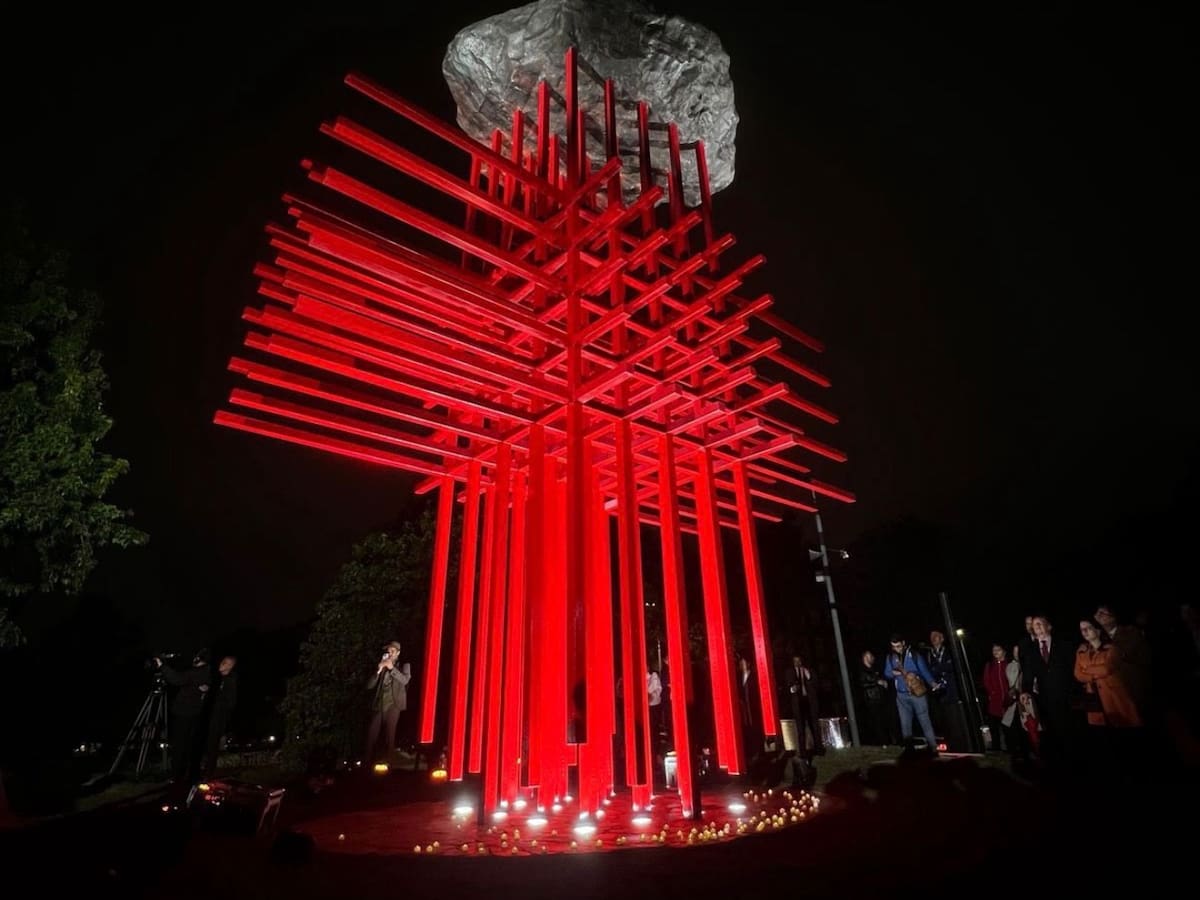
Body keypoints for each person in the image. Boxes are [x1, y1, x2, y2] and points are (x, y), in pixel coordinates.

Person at [1022, 615, 1078, 768]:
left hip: (1066, 697)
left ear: (1049, 626)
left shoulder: (1064, 645)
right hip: (1045, 700)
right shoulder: (1031, 651)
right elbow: (1028, 674)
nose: (1037, 627)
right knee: (1052, 732)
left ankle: (1075, 761)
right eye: (1034, 625)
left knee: (1070, 731)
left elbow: (1073, 670)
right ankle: (1059, 763)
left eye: (1040, 623)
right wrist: (1026, 691)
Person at [155, 649, 212, 784]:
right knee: (191, 745)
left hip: (184, 713)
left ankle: (177, 776)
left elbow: (177, 679)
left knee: (180, 746)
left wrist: (161, 665)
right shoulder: (209, 671)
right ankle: (191, 774)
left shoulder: (196, 673)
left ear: (198, 659)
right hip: (196, 713)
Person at [881, 635, 938, 750]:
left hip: (917, 694)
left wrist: (933, 683)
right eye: (893, 647)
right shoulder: (891, 657)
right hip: (901, 696)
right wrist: (894, 673)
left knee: (925, 722)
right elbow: (887, 674)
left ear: (903, 643)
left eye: (898, 646)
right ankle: (909, 751)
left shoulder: (914, 655)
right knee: (905, 724)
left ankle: (933, 748)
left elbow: (924, 671)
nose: (896, 649)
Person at [365, 641, 411, 765]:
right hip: (380, 703)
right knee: (371, 733)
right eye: (388, 651)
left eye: (392, 651)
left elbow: (405, 680)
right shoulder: (383, 665)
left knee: (390, 734)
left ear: (398, 653)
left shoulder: (404, 665)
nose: (390, 654)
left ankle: (389, 763)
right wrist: (378, 670)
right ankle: (366, 763)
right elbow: (369, 686)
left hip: (394, 704)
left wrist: (392, 668)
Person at [926, 630, 968, 750]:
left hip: (951, 690)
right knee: (943, 720)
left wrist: (937, 669)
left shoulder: (950, 651)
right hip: (938, 692)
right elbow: (929, 671)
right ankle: (948, 745)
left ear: (942, 638)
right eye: (932, 636)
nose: (934, 638)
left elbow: (952, 667)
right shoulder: (929, 654)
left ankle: (960, 745)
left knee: (955, 718)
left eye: (936, 636)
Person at [202, 656, 238, 778]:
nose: (221, 663)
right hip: (211, 718)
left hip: (217, 720)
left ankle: (208, 774)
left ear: (230, 666)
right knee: (207, 745)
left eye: (225, 662)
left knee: (212, 747)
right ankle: (204, 771)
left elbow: (230, 703)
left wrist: (223, 724)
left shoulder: (230, 680)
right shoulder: (219, 679)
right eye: (221, 661)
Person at [783, 654, 824, 754]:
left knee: (814, 726)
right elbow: (787, 687)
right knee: (800, 728)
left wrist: (808, 676)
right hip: (798, 703)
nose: (797, 663)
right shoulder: (789, 672)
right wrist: (793, 689)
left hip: (809, 702)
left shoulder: (808, 671)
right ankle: (802, 751)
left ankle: (818, 748)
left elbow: (816, 684)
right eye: (795, 661)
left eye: (799, 661)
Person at [982, 644, 1018, 753]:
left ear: (1004, 651)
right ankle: (996, 748)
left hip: (1008, 701)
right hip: (995, 701)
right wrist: (991, 692)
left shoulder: (1009, 664)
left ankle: (1011, 748)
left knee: (1008, 726)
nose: (996, 652)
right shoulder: (990, 665)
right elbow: (986, 681)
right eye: (994, 650)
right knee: (994, 726)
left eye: (998, 650)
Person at [857, 650, 896, 745]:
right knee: (877, 722)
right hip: (872, 701)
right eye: (870, 656)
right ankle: (882, 742)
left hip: (881, 699)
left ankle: (889, 741)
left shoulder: (875, 669)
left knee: (886, 720)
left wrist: (883, 683)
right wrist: (877, 682)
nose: (873, 658)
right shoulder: (862, 670)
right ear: (865, 657)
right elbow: (863, 682)